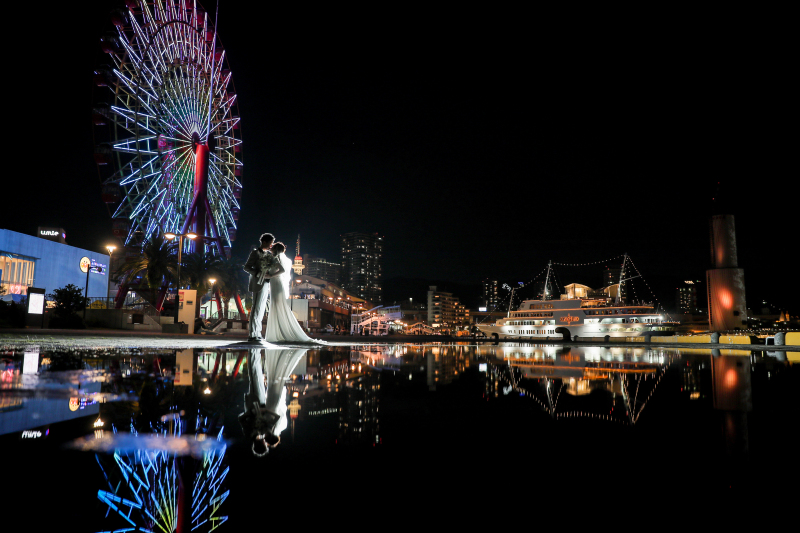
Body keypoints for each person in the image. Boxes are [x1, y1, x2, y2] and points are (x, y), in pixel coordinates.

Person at [264, 242, 325, 343]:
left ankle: (279, 333)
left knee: (277, 305)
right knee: (276, 306)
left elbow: (282, 270)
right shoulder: (277, 258)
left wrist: (271, 275)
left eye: (273, 248)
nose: (271, 249)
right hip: (275, 283)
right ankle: (278, 332)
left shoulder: (276, 259)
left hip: (276, 282)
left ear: (276, 250)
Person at [242, 233, 275, 342]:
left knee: (261, 309)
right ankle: (252, 333)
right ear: (264, 242)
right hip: (257, 282)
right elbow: (246, 267)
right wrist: (258, 274)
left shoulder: (268, 254)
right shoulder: (255, 253)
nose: (271, 245)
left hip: (266, 283)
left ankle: (258, 332)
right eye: (270, 243)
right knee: (256, 307)